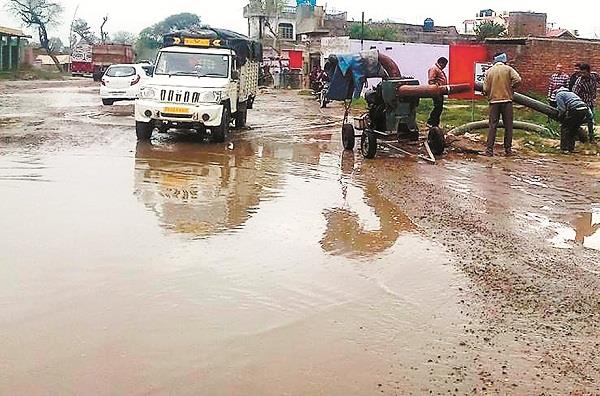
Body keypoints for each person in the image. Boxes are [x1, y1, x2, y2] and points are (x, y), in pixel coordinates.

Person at [482, 52, 522, 156]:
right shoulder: (508, 69)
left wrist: (488, 93)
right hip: (507, 101)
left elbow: (485, 88)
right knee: (508, 126)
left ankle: (489, 150)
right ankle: (508, 150)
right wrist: (511, 87)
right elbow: (518, 79)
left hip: (494, 102)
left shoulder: (489, 71)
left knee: (492, 126)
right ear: (504, 60)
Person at [554, 87, 592, 152]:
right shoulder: (571, 93)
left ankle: (564, 149)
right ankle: (571, 148)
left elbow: (562, 109)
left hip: (575, 109)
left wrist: (560, 118)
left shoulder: (559, 95)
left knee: (565, 128)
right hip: (584, 109)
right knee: (574, 128)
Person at [572, 63, 599, 142]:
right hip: (582, 103)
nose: (582, 74)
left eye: (584, 72)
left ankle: (591, 137)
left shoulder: (594, 76)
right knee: (590, 118)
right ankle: (577, 134)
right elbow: (574, 93)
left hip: (591, 101)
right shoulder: (579, 81)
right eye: (581, 72)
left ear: (588, 72)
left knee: (590, 120)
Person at [426, 57, 449, 128]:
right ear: (441, 63)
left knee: (439, 107)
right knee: (437, 107)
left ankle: (435, 123)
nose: (445, 67)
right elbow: (431, 80)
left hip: (440, 91)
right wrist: (436, 87)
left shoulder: (438, 69)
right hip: (436, 91)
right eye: (445, 65)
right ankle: (431, 122)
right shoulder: (434, 68)